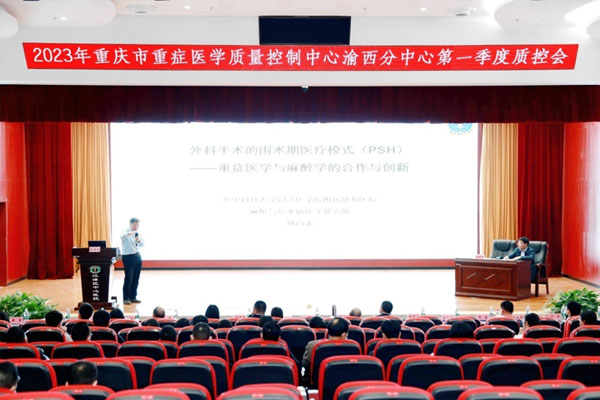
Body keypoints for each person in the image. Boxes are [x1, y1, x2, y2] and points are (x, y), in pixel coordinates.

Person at [120, 217, 144, 305]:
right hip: (128, 256)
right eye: (134, 225)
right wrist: (130, 233)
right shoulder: (125, 230)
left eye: (137, 225)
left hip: (137, 256)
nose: (136, 227)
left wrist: (139, 240)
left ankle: (133, 297)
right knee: (129, 278)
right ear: (130, 224)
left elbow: (143, 244)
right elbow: (122, 237)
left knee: (136, 278)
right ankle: (126, 298)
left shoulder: (139, 233)